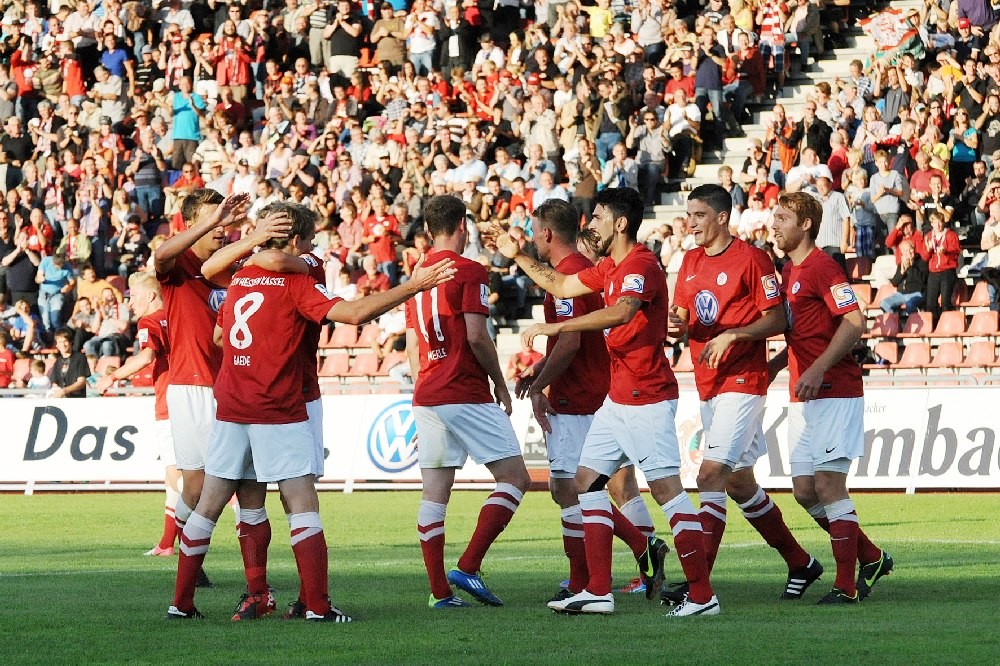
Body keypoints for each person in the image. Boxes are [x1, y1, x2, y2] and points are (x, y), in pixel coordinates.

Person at [168, 201, 456, 621]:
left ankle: (184, 603)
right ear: (297, 240)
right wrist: (416, 285)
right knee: (300, 501)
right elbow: (353, 313)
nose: (313, 249)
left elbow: (218, 330)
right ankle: (316, 605)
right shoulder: (299, 277)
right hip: (281, 403)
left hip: (231, 403)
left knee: (216, 502)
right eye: (310, 240)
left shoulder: (241, 274)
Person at [493, 187, 718, 617]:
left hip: (647, 397)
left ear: (620, 223)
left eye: (597, 217)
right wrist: (517, 255)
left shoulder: (641, 264)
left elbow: (623, 312)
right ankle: (598, 590)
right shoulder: (609, 266)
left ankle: (703, 596)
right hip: (617, 399)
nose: (590, 224)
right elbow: (560, 283)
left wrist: (559, 328)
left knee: (668, 493)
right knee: (584, 483)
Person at [666, 184, 822, 602]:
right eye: (688, 215)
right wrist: (676, 326)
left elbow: (776, 320)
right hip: (708, 383)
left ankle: (698, 584)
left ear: (722, 218)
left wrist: (734, 334)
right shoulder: (690, 261)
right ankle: (800, 562)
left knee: (709, 475)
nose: (691, 223)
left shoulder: (753, 259)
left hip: (743, 382)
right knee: (738, 483)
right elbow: (682, 317)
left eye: (699, 215)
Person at [512, 199, 669, 604]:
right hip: (606, 392)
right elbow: (569, 330)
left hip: (583, 396)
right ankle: (623, 566)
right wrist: (540, 369)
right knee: (608, 485)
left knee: (571, 489)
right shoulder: (591, 269)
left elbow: (571, 341)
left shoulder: (582, 271)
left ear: (547, 233)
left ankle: (588, 577)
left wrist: (542, 385)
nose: (532, 238)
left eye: (534, 231)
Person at [405, 194, 531, 609]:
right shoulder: (470, 270)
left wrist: (424, 392)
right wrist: (500, 383)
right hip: (464, 390)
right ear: (463, 225)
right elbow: (477, 336)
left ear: (428, 230)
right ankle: (469, 565)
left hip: (427, 392)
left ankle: (440, 593)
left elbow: (413, 346)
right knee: (515, 478)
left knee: (434, 495)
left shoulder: (417, 275)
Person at [769, 191, 894, 604]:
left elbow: (854, 322)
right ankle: (871, 556)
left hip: (836, 391)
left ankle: (845, 586)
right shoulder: (789, 271)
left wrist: (819, 367)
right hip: (803, 395)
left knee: (828, 485)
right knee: (805, 490)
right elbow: (804, 334)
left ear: (805, 224)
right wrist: (776, 366)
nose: (774, 225)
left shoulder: (823, 266)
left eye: (783, 218)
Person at [154, 190, 263, 597]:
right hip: (193, 386)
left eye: (225, 218)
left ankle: (254, 582)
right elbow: (161, 254)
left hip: (234, 385)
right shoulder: (179, 264)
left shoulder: (232, 267)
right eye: (212, 219)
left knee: (244, 484)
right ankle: (190, 561)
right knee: (198, 487)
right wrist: (214, 220)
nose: (221, 226)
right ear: (191, 224)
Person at [96, 272, 179, 557]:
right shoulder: (178, 315)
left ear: (151, 295)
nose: (130, 304)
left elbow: (146, 356)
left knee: (178, 476)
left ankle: (177, 543)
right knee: (183, 476)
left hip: (171, 403)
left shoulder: (149, 321)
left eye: (134, 297)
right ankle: (168, 543)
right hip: (199, 396)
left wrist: (111, 377)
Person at [49, 328, 89, 398]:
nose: (63, 344)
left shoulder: (80, 358)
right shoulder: (57, 362)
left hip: (77, 399)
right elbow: (55, 383)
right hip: (63, 400)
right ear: (57, 345)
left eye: (65, 341)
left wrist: (64, 391)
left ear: (70, 342)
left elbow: (81, 382)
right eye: (60, 342)